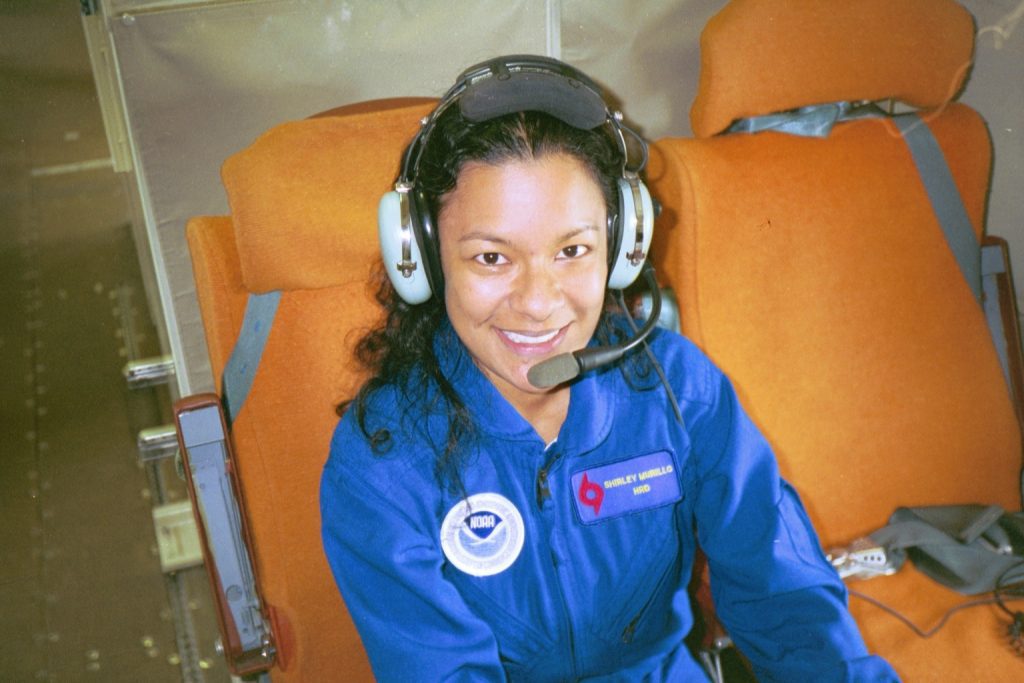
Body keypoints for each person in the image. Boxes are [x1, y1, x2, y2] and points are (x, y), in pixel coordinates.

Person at [320, 55, 899, 682]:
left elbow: (784, 598)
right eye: (492, 257)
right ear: (426, 263)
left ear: (622, 250)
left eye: (573, 251)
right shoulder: (381, 461)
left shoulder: (680, 392)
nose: (539, 303)